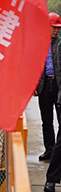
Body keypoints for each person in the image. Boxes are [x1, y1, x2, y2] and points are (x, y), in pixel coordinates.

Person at [36, 12, 61, 161]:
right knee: (47, 121)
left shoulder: (60, 44)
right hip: (44, 86)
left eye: (58, 28)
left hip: (58, 86)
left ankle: (58, 152)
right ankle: (49, 150)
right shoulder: (39, 44)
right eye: (54, 28)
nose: (57, 30)